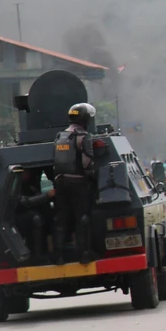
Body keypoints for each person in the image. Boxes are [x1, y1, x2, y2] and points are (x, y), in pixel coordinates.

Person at [52, 102, 97, 265]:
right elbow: (87, 163)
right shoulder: (83, 136)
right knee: (82, 218)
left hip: (60, 182)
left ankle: (58, 256)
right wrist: (92, 177)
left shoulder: (60, 136)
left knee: (61, 219)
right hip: (78, 183)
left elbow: (55, 162)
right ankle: (84, 254)